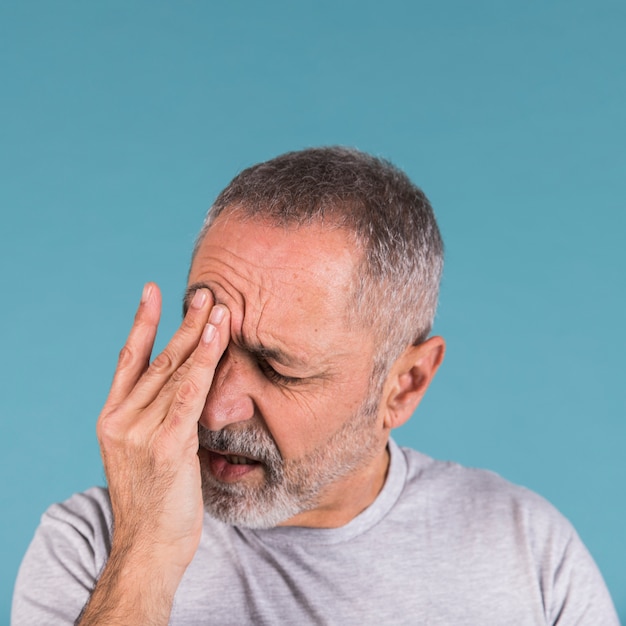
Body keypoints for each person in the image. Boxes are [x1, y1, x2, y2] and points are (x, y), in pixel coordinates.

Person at [12, 147, 618, 625]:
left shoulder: (527, 548)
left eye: (279, 370)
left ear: (403, 387)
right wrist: (143, 559)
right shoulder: (94, 547)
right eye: (207, 342)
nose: (215, 408)